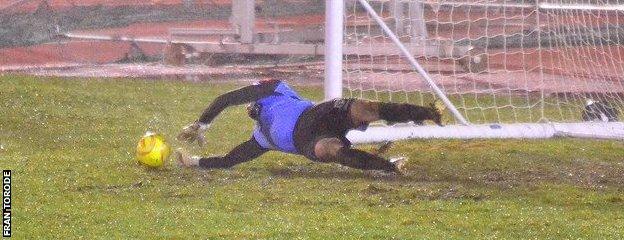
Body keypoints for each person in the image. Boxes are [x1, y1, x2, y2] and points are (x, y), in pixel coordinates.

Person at [175, 79, 443, 174]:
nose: (249, 106)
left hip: (318, 114)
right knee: (332, 150)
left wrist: (201, 124)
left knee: (364, 108)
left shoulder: (274, 91)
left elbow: (227, 99)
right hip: (306, 142)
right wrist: (194, 162)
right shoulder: (261, 140)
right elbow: (228, 160)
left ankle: (430, 112)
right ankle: (390, 167)